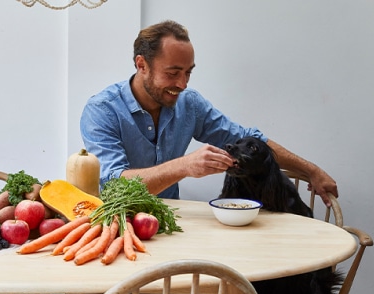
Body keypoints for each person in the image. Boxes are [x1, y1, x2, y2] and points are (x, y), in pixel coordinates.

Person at [80, 19, 338, 205]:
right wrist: (184, 166)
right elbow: (114, 184)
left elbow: (248, 137)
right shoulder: (102, 111)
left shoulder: (189, 103)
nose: (182, 84)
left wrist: (311, 171)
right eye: (172, 73)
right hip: (117, 225)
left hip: (172, 222)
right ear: (141, 64)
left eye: (188, 72)